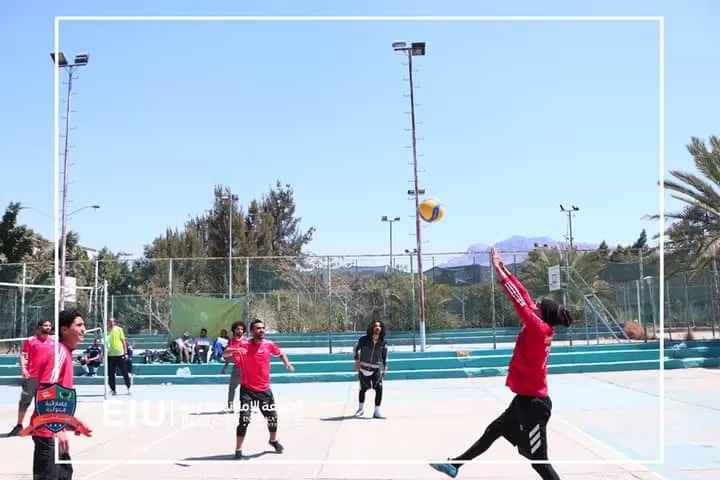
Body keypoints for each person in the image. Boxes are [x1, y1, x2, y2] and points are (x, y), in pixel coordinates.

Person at [430, 247, 574, 479]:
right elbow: (524, 295)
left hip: (535, 406)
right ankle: (456, 465)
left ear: (543, 313)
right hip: (525, 402)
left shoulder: (538, 329)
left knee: (539, 463)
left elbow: (518, 301)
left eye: (538, 305)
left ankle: (456, 465)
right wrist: (503, 266)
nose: (534, 304)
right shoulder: (541, 324)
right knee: (494, 430)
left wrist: (497, 270)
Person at [223, 318, 294, 459]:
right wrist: (236, 349)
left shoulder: (269, 344)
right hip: (247, 390)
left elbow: (280, 353)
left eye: (263, 328)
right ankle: (238, 450)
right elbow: (225, 354)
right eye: (258, 328)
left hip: (264, 390)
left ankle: (273, 440)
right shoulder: (243, 344)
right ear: (252, 331)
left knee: (272, 418)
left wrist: (287, 363)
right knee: (244, 419)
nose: (261, 330)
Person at [29, 308, 87, 480]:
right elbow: (46, 391)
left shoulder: (66, 352)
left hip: (53, 430)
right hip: (47, 433)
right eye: (79, 325)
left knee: (64, 475)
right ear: (64, 330)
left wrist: (71, 421)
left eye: (84, 325)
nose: (84, 329)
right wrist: (57, 428)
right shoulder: (59, 352)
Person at [7, 320, 55, 437]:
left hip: (47, 378)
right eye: (45, 326)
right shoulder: (31, 340)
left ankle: (39, 426)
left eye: (49, 326)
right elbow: (23, 355)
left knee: (44, 403)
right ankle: (19, 425)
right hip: (32, 376)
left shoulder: (54, 341)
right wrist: (23, 369)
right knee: (25, 401)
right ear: (39, 327)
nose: (48, 328)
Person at [353, 319, 389, 419]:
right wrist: (357, 361)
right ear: (371, 328)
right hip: (363, 368)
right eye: (375, 326)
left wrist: (385, 367)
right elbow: (355, 349)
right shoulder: (363, 340)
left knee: (379, 389)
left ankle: (376, 411)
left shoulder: (383, 343)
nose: (377, 328)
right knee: (362, 389)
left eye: (379, 326)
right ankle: (360, 409)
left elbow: (385, 356)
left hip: (376, 369)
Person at [221, 321, 246, 412]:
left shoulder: (246, 341)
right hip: (236, 368)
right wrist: (225, 367)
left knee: (248, 389)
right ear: (234, 330)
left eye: (242, 329)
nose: (240, 331)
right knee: (232, 388)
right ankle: (230, 406)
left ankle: (246, 406)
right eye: (238, 329)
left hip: (247, 369)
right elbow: (226, 355)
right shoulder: (231, 341)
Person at [106, 318, 132, 396]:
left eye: (112, 322)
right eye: (109, 322)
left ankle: (129, 387)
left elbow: (123, 341)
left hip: (120, 354)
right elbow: (104, 343)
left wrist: (125, 353)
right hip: (110, 355)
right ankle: (113, 389)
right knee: (111, 374)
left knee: (124, 372)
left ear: (114, 322)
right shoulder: (106, 332)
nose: (111, 323)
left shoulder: (119, 329)